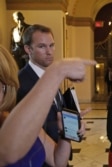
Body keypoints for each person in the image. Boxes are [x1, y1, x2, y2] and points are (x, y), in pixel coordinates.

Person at [0, 44, 96, 166]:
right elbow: (8, 152)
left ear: (6, 87)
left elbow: (57, 162)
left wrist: (65, 134)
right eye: (41, 46)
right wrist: (56, 71)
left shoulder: (16, 119)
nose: (49, 51)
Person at [16, 24, 70, 166]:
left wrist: (72, 126)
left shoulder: (50, 75)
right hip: (41, 160)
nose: (49, 51)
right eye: (42, 46)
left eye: (52, 45)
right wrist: (64, 129)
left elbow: (56, 112)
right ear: (28, 49)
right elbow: (28, 129)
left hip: (60, 152)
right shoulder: (21, 83)